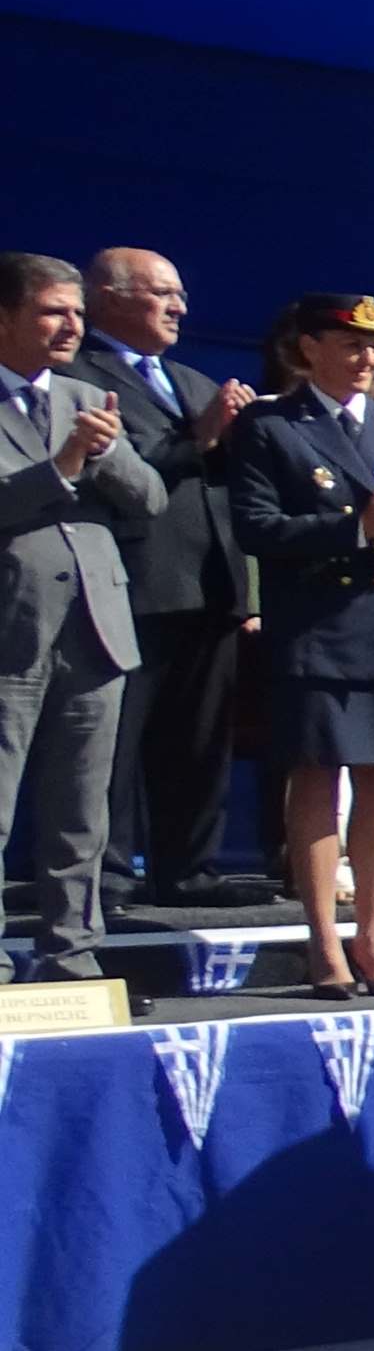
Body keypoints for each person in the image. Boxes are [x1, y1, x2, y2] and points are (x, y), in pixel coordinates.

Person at [220, 295, 374, 997]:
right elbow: (256, 526)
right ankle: (322, 939)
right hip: (318, 619)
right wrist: (354, 528)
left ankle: (372, 931)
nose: (367, 358)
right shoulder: (270, 425)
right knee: (316, 774)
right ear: (309, 348)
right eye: (351, 345)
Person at [0, 250, 163, 983]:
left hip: (95, 627)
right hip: (12, 628)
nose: (71, 326)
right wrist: (63, 465)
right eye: (51, 312)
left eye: (76, 312)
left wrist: (105, 454)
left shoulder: (86, 396)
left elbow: (150, 498)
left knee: (81, 808)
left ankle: (72, 951)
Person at [77, 248, 258, 904]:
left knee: (201, 739)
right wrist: (197, 440)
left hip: (211, 583)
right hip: (134, 581)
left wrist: (240, 440)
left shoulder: (192, 379)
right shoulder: (76, 376)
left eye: (180, 294)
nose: (179, 306)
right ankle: (107, 872)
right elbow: (112, 474)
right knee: (115, 739)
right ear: (109, 296)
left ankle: (188, 869)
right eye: (162, 293)